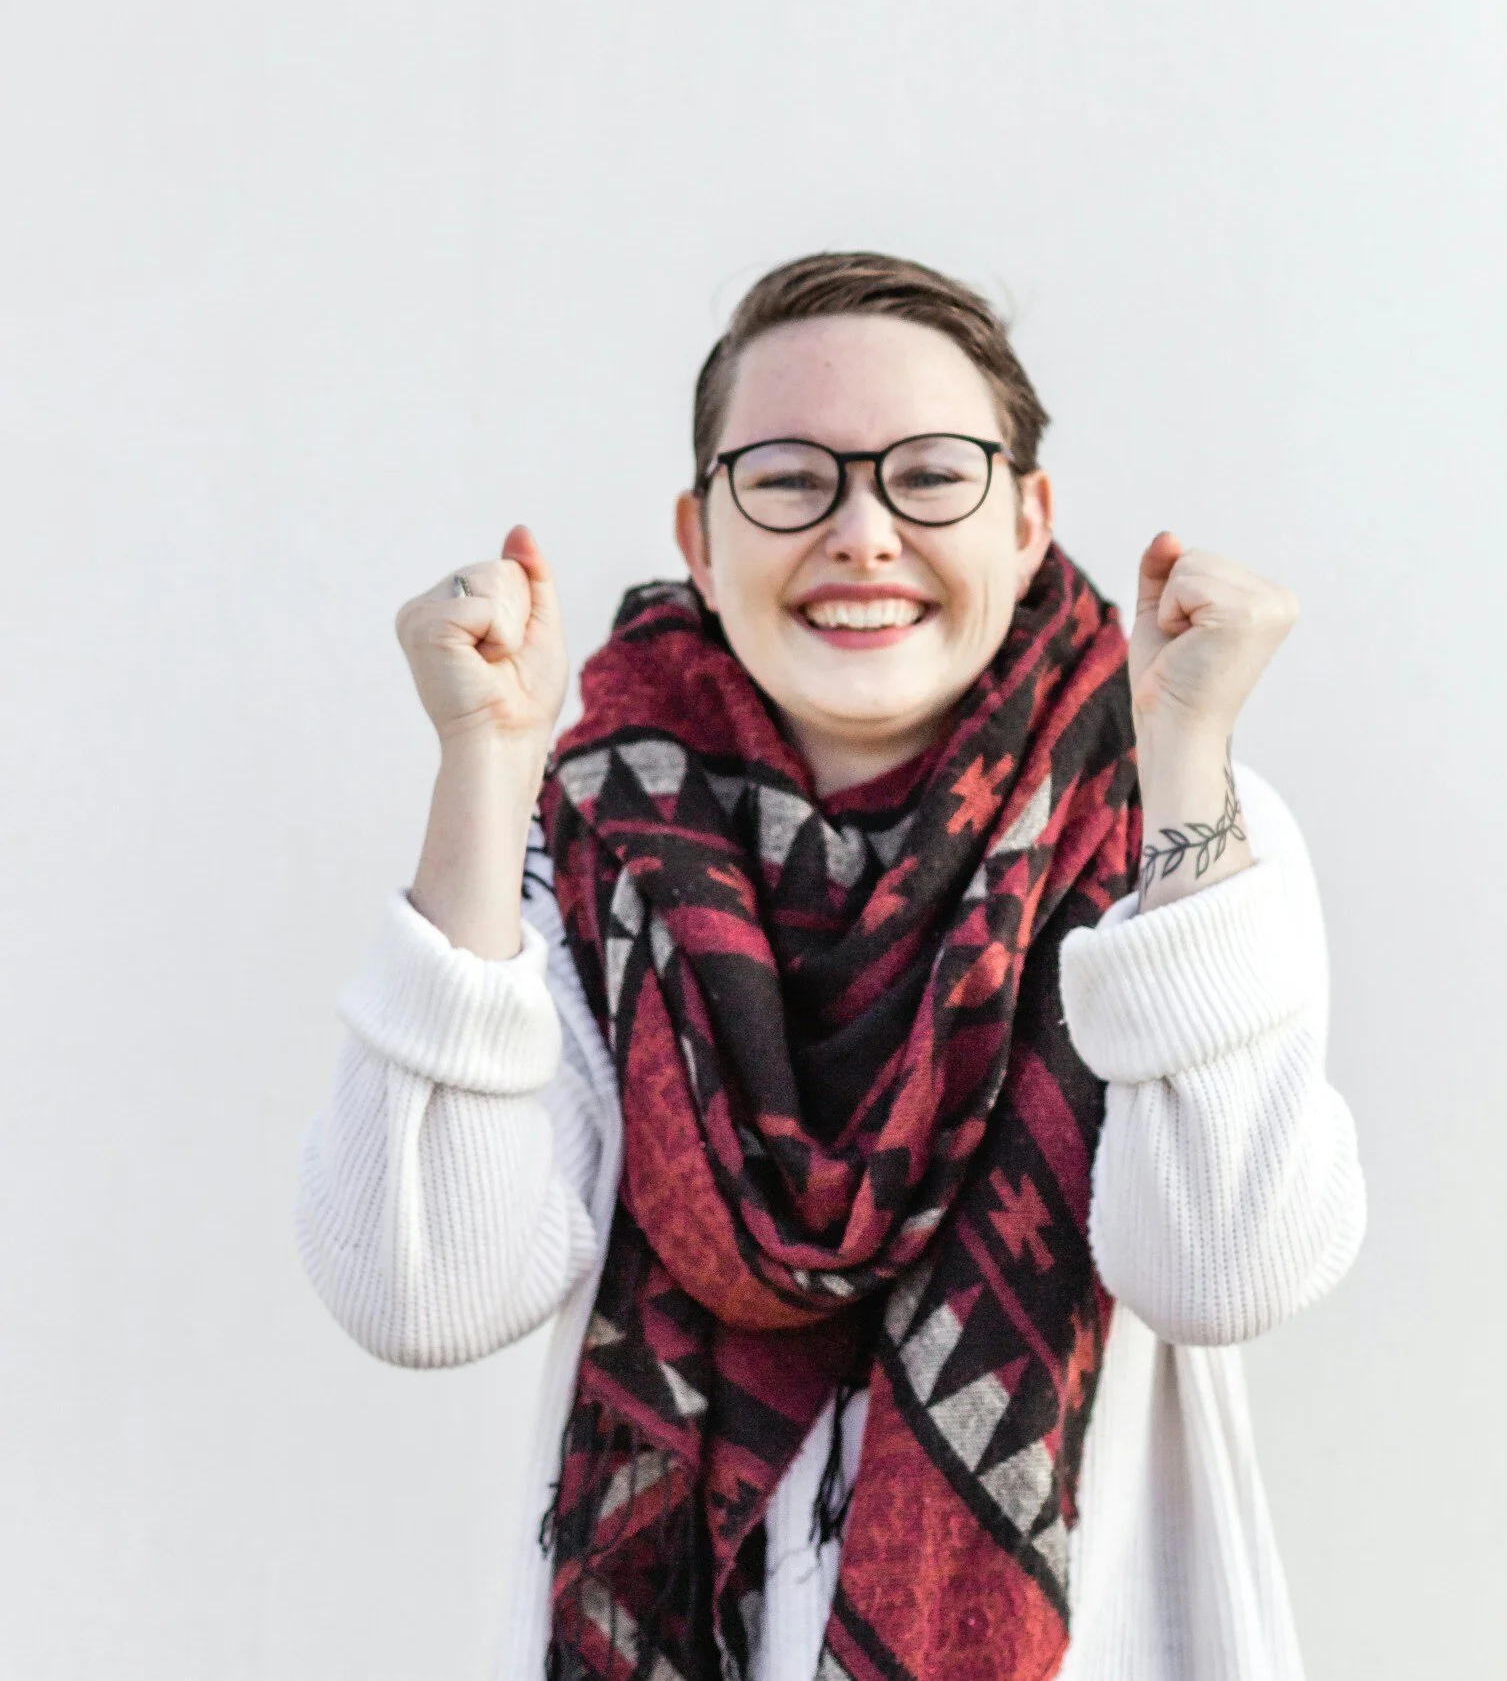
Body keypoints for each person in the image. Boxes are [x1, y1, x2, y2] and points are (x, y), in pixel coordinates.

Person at [296, 250, 1366, 1681]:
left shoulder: (1180, 828)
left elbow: (1221, 1268)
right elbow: (422, 1293)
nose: (862, 533)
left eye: (930, 474)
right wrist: (489, 768)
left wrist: (1178, 751)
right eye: (790, 477)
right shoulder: (589, 841)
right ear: (699, 531)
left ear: (1029, 517)